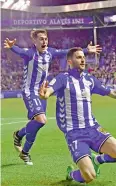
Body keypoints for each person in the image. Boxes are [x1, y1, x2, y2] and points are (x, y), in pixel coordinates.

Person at [39, 47, 116, 184]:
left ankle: (97, 160)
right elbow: (49, 90)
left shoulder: (89, 80)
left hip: (94, 129)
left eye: (83, 57)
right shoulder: (62, 79)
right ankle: (71, 174)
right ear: (69, 61)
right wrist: (45, 94)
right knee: (89, 177)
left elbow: (113, 92)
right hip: (75, 133)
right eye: (78, 57)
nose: (83, 59)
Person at [3, 29, 102, 165]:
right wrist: (11, 47)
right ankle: (20, 137)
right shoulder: (30, 54)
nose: (44, 41)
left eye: (46, 39)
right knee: (41, 120)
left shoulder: (50, 52)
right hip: (30, 91)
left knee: (37, 124)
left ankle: (24, 149)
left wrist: (85, 50)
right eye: (41, 39)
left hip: (42, 92)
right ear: (34, 41)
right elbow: (20, 51)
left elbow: (65, 51)